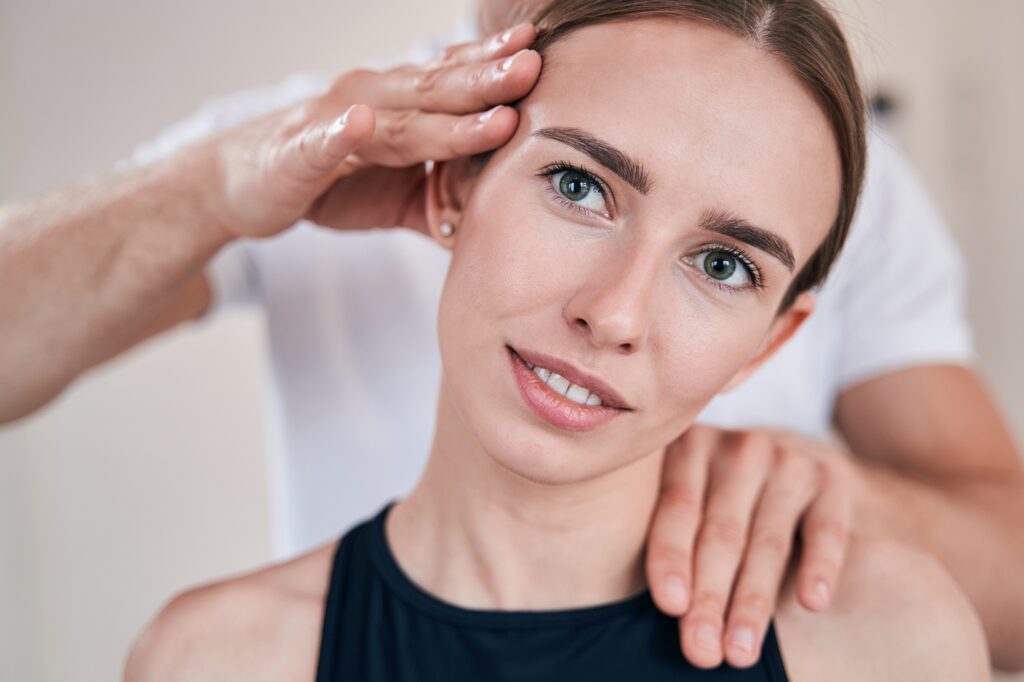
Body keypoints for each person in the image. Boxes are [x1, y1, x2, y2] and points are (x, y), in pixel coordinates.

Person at [0, 0, 1021, 673]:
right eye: (579, 188)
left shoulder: (891, 638)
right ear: (451, 185)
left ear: (770, 341)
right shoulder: (218, 656)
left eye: (724, 264)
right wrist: (219, 186)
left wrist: (828, 492)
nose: (611, 315)